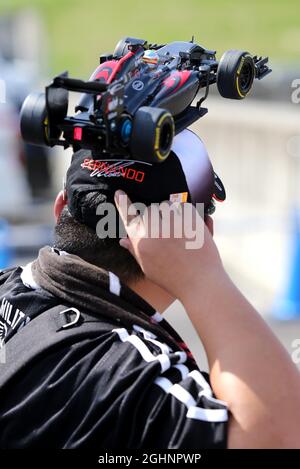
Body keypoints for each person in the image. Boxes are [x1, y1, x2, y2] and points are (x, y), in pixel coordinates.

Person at [0, 130, 299, 449]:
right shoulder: (129, 374)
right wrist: (204, 280)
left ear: (60, 209)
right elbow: (281, 434)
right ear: (203, 235)